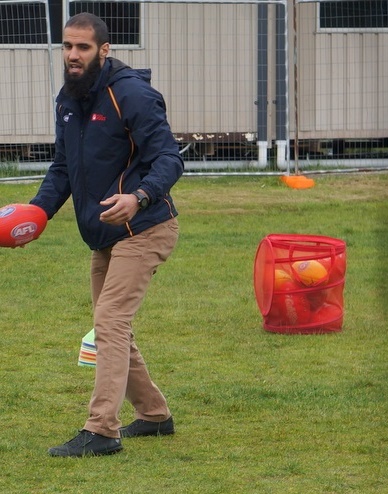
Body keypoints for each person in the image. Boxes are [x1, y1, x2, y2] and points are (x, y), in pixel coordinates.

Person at [30, 13, 184, 456]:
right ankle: (154, 415)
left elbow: (169, 160)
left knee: (110, 321)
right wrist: (36, 214)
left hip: (147, 226)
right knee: (111, 323)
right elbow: (62, 168)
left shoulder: (131, 94)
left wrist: (139, 197)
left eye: (82, 47)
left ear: (105, 49)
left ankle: (101, 430)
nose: (73, 55)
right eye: (67, 46)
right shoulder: (69, 98)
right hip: (105, 232)